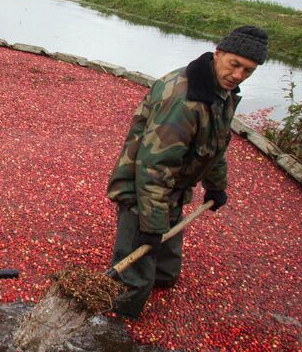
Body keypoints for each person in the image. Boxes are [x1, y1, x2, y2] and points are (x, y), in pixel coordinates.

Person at [105, 26, 269, 319]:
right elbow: (154, 166)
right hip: (141, 188)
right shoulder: (183, 99)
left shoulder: (222, 93)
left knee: (165, 263)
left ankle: (160, 274)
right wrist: (152, 225)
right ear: (218, 54)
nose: (239, 75)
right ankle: (119, 320)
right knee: (137, 263)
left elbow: (216, 144)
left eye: (248, 71)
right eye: (235, 65)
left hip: (174, 186)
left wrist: (216, 185)